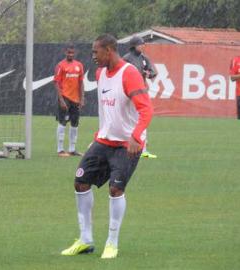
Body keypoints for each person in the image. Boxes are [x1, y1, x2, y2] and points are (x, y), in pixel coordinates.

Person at [61, 34, 153, 259]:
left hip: (126, 145)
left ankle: (112, 242)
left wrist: (135, 137)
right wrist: (98, 134)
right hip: (104, 141)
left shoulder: (129, 73)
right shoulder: (100, 73)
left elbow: (146, 109)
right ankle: (85, 239)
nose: (93, 56)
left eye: (96, 52)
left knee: (115, 189)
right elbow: (108, 112)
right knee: (81, 182)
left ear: (109, 50)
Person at [123, 36, 157, 159]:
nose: (143, 46)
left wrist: (149, 73)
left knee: (142, 119)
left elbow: (153, 72)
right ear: (134, 45)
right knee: (131, 120)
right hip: (129, 93)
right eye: (141, 44)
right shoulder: (126, 59)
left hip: (141, 92)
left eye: (144, 44)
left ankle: (143, 149)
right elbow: (121, 74)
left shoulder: (144, 58)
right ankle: (126, 146)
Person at [54, 43, 85, 157]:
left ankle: (72, 149)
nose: (70, 54)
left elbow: (81, 82)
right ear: (65, 52)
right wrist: (61, 99)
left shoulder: (79, 65)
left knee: (75, 123)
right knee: (62, 122)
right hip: (65, 98)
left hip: (76, 99)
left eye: (72, 52)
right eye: (68, 52)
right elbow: (56, 83)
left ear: (75, 53)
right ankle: (60, 149)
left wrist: (82, 98)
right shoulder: (60, 65)